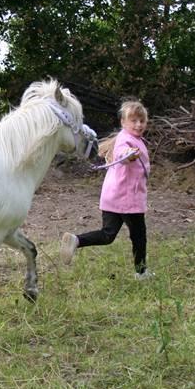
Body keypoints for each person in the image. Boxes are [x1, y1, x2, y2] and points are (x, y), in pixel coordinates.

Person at [60, 99, 154, 280]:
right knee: (139, 236)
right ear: (123, 122)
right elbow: (121, 153)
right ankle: (141, 272)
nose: (139, 124)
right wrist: (127, 156)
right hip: (128, 200)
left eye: (142, 121)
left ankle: (76, 240)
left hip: (113, 197)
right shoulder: (125, 141)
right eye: (133, 120)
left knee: (107, 235)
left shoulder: (132, 139)